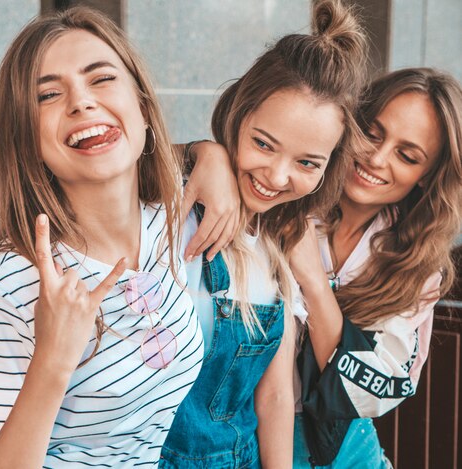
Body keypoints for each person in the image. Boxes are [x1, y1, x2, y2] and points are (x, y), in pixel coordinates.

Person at [0, 7, 238, 468]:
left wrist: (213, 154)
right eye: (47, 95)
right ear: (26, 138)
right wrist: (54, 359)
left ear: (142, 104)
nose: (80, 102)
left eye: (101, 79)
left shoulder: (169, 219)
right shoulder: (8, 283)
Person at [159, 1, 368, 467]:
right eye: (262, 143)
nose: (276, 175)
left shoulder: (283, 248)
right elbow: (102, 171)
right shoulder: (172, 205)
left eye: (307, 162)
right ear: (237, 112)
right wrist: (200, 152)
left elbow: (274, 398)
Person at [289, 68, 462, 468]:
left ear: (426, 177)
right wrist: (201, 152)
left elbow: (371, 392)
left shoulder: (415, 269)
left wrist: (314, 282)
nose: (376, 158)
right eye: (373, 131)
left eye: (407, 155)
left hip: (348, 453)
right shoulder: (285, 196)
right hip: (247, 439)